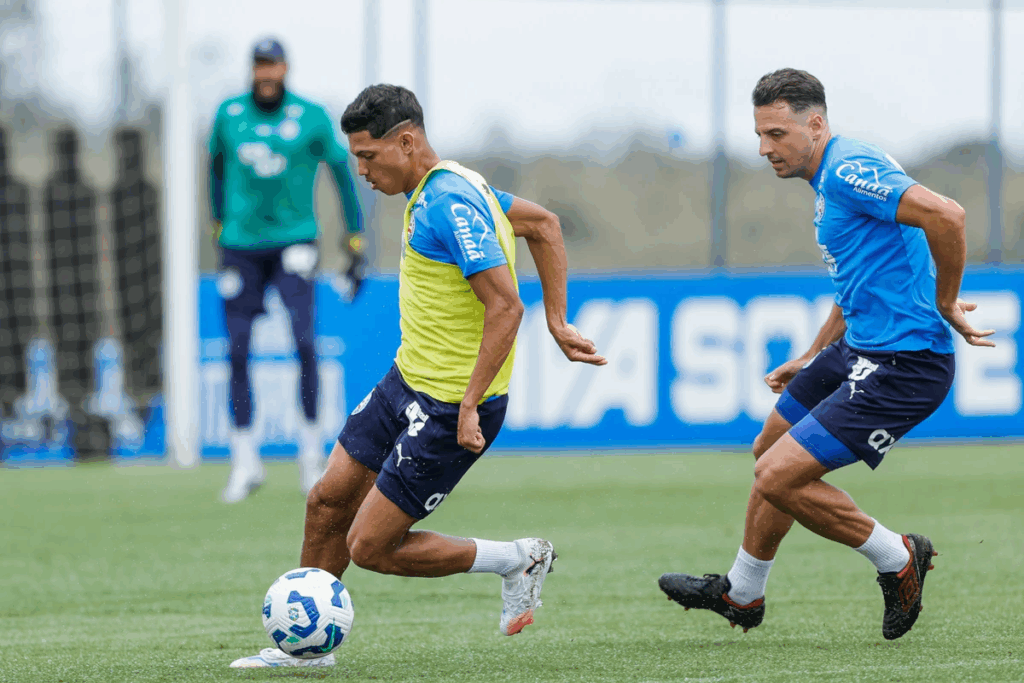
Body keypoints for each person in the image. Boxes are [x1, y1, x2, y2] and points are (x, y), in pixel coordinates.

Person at [229, 84, 607, 668]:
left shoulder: (447, 204)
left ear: (406, 141)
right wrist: (560, 321)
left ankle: (516, 558)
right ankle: (306, 652)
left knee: (372, 546)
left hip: (453, 404)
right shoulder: (446, 186)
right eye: (354, 157)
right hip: (407, 381)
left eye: (368, 156)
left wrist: (472, 402)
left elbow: (506, 307)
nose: (360, 171)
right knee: (326, 500)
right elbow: (544, 226)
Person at [659, 68, 996, 640]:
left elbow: (948, 215)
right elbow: (858, 276)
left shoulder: (845, 168)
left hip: (905, 364)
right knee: (767, 450)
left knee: (778, 476)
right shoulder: (828, 178)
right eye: (760, 135)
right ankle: (744, 593)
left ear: (815, 124)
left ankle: (898, 557)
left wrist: (944, 300)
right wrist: (813, 353)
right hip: (853, 348)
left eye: (777, 134)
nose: (765, 148)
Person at [208, 38, 367, 503]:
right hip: (240, 246)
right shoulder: (229, 115)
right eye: (259, 64)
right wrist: (219, 222)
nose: (266, 73)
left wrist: (353, 238)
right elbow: (214, 168)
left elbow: (342, 171)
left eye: (273, 64)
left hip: (296, 241)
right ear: (252, 68)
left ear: (285, 68)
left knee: (304, 344)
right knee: (237, 351)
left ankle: (310, 459)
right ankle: (244, 462)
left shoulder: (311, 116)